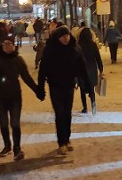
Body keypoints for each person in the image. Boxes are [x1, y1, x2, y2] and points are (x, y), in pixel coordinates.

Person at [0, 36, 40, 160]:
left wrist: (37, 90)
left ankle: (17, 149)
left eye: (9, 44)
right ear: (1, 46)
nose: (7, 46)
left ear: (14, 46)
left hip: (14, 96)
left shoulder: (18, 60)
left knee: (15, 123)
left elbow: (26, 77)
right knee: (3, 123)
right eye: (5, 44)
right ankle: (7, 145)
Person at [37, 25, 88, 155]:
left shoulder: (75, 49)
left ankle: (67, 138)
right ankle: (61, 142)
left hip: (69, 85)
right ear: (57, 38)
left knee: (67, 113)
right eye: (63, 36)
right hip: (55, 86)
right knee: (59, 114)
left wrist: (86, 84)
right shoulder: (50, 51)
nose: (66, 38)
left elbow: (82, 67)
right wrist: (40, 88)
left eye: (67, 35)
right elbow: (43, 71)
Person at [77, 27, 103, 114]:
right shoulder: (93, 45)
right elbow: (98, 58)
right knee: (91, 88)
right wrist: (101, 69)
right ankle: (93, 103)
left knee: (82, 89)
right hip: (91, 69)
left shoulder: (78, 45)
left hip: (81, 70)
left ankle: (84, 107)